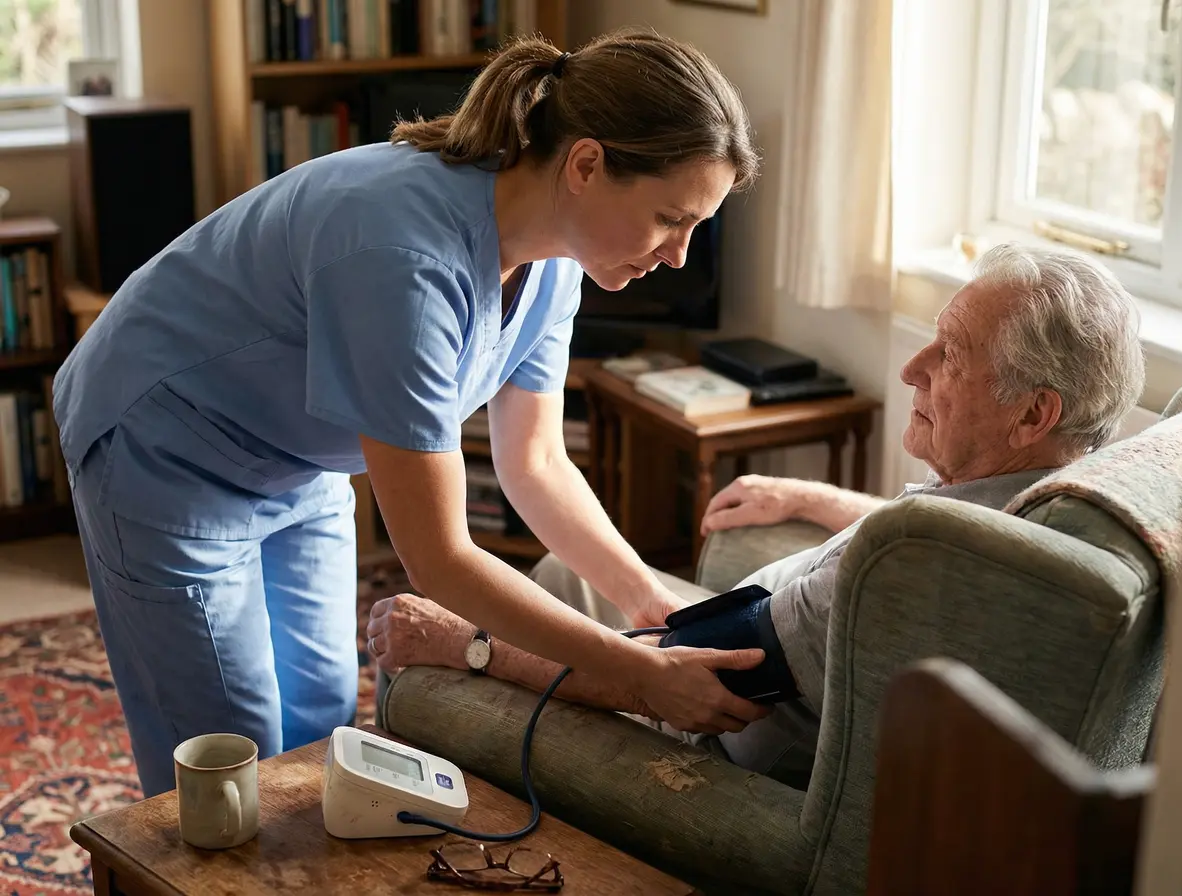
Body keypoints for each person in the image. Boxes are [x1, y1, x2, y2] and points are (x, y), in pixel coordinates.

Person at [54, 29, 770, 797]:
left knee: (321, 725)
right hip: (165, 445)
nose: (680, 255)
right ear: (586, 164)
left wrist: (649, 603)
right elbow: (441, 562)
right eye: (671, 219)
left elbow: (535, 464)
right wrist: (637, 671)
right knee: (232, 762)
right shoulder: (404, 256)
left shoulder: (558, 263)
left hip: (300, 457)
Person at [367, 243, 1146, 788]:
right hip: (746, 635)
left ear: (1033, 414)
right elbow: (949, 522)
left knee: (442, 630)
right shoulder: (1071, 492)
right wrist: (811, 497)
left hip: (700, 713)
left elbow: (672, 683)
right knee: (565, 568)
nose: (912, 368)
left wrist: (467, 647)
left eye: (951, 356)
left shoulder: (894, 571)